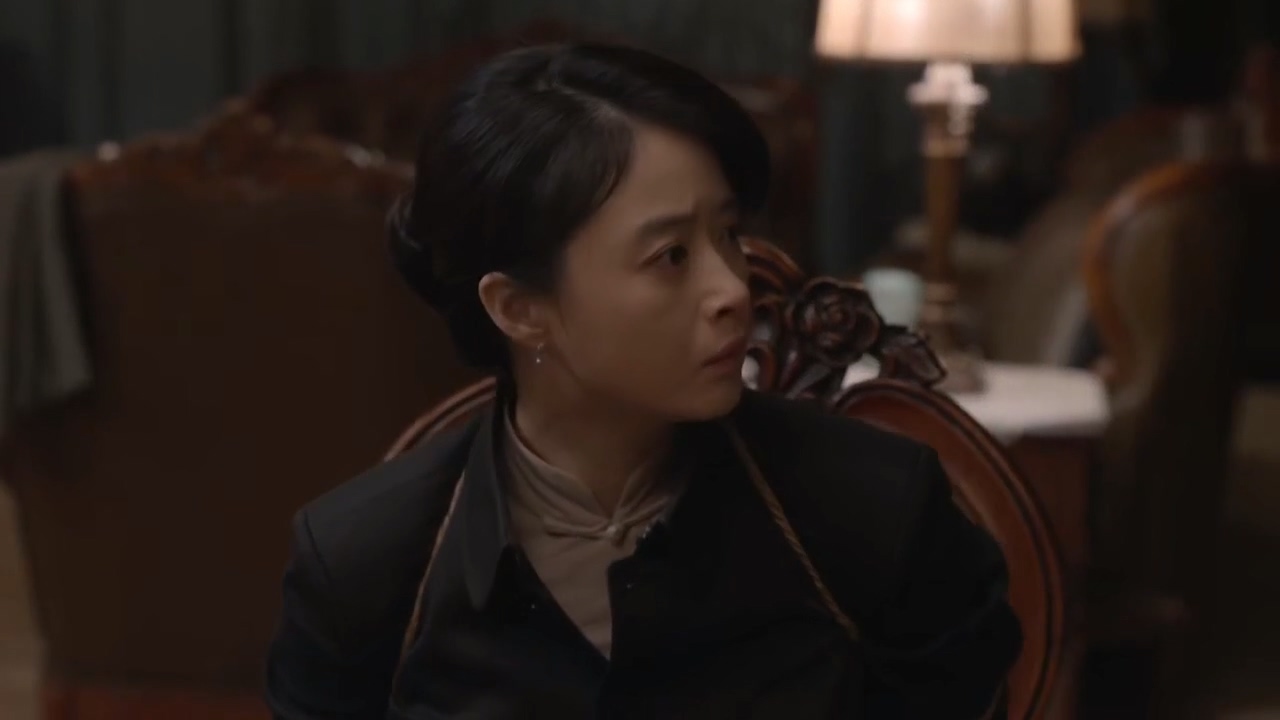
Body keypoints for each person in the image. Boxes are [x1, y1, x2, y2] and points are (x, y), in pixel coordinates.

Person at [265, 42, 1021, 719]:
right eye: (671, 257)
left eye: (728, 233)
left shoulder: (874, 510)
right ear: (521, 309)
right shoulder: (367, 565)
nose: (733, 289)